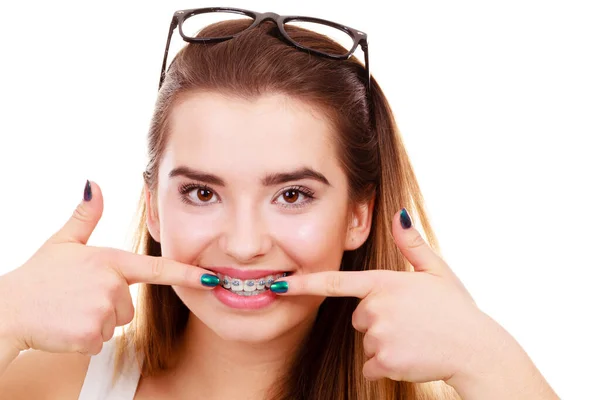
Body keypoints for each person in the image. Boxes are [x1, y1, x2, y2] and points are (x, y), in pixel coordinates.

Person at [0, 7, 559, 400]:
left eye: (292, 195)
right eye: (201, 192)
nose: (244, 245)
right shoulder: (59, 385)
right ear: (153, 209)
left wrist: (487, 356)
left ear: (358, 215)